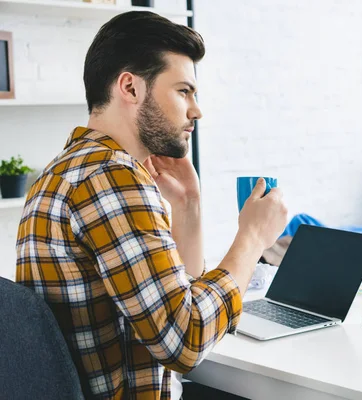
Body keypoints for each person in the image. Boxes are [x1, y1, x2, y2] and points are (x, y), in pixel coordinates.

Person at [15, 11, 287, 400]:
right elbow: (187, 340)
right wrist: (253, 238)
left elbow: (180, 303)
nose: (197, 110)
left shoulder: (64, 169)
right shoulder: (111, 177)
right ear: (130, 87)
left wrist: (188, 208)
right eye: (183, 91)